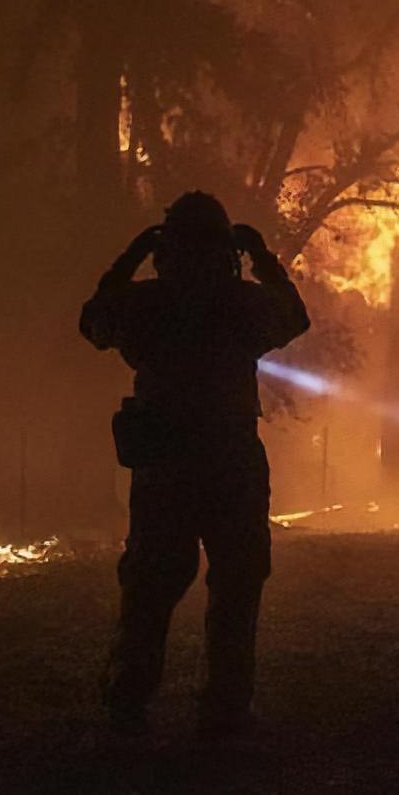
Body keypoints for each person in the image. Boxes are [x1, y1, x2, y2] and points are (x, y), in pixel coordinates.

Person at [79, 191, 309, 738]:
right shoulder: (241, 303)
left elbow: (93, 322)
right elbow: (293, 317)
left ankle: (129, 695)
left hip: (165, 461)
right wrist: (262, 256)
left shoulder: (146, 304)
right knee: (236, 582)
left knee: (150, 582)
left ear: (168, 249)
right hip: (230, 457)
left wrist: (131, 255)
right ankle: (224, 704)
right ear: (226, 250)